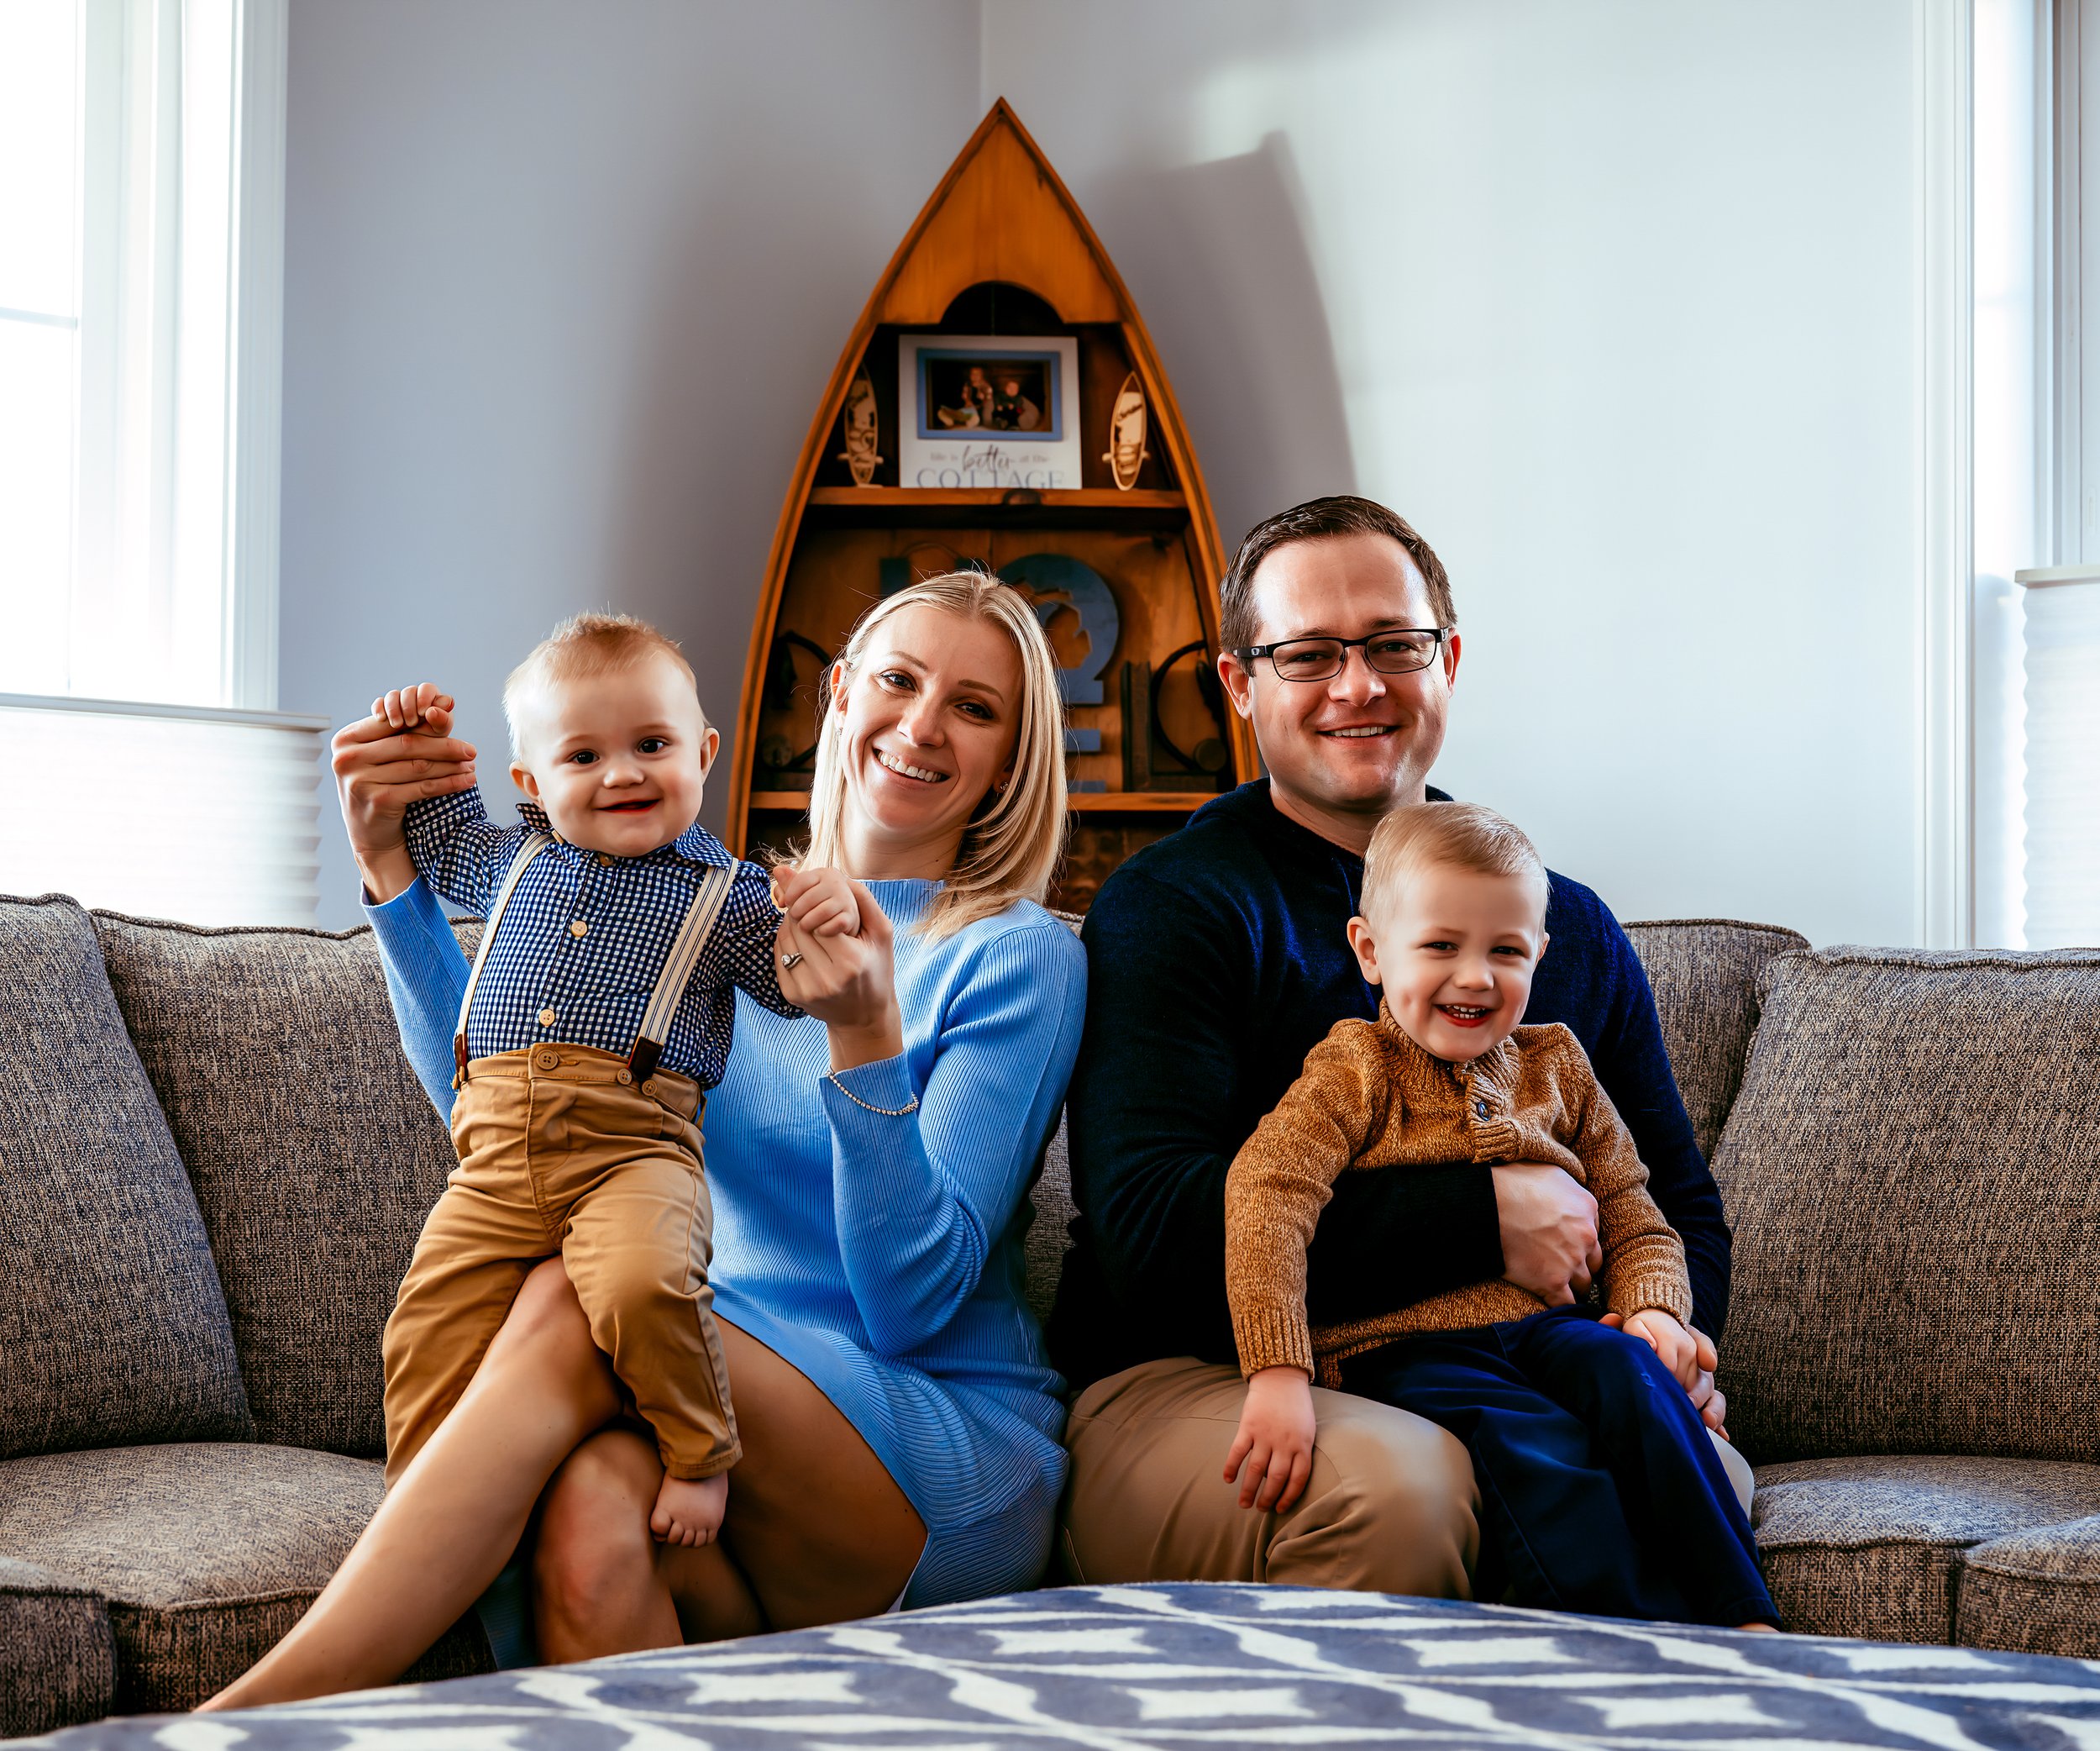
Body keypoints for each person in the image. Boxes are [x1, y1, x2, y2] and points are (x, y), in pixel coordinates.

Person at [203, 571, 1084, 1707]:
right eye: (901, 682)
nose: (920, 725)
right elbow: (505, 1118)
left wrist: (866, 1032)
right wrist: (392, 876)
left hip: (927, 1459)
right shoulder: (708, 907)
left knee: (577, 1294)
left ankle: (245, 1722)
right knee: (583, 1515)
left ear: (1013, 756)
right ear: (838, 696)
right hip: (704, 1418)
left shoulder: (1015, 957)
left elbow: (911, 1306)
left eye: (975, 708)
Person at [1052, 493, 1740, 1597]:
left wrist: (1662, 1334)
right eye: (1308, 655)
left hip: (1509, 1360)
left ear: (1448, 659)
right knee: (1408, 1491)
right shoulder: (1178, 906)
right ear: (1241, 686)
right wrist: (1483, 1226)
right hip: (1207, 1374)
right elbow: (1152, 1235)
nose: (1357, 685)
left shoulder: (1562, 926)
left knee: (1705, 1477)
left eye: (1392, 646)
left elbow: (1676, 1205)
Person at [1223, 801, 1773, 1629]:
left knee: (1628, 1375)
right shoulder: (1353, 1069)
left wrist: (1658, 1307)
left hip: (1544, 1329)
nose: (1474, 976)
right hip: (1401, 1345)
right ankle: (1629, 1639)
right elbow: (1266, 1197)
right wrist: (1278, 1370)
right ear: (1370, 950)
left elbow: (1631, 1202)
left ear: (1539, 954)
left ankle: (1745, 1617)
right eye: (1440, 945)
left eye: (1504, 950)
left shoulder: (1557, 1063)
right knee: (1528, 1440)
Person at [375, 613, 861, 1550]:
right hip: (490, 1165)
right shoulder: (509, 857)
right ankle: (421, 1513)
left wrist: (830, 918)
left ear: (704, 752)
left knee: (646, 1285)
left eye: (652, 744)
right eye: (584, 755)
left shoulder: (730, 897)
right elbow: (424, 818)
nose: (623, 773)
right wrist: (414, 732)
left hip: (632, 1150)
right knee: (423, 1326)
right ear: (532, 782)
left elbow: (808, 981)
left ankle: (698, 1450)